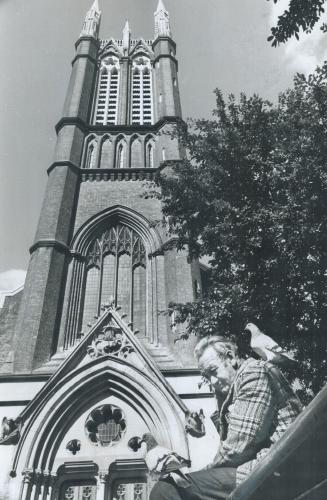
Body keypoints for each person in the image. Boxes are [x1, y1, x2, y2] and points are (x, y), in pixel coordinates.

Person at [150, 336, 302, 500]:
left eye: (213, 371)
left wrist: (206, 471)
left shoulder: (254, 372)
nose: (212, 381)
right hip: (266, 470)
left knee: (166, 488)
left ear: (230, 357)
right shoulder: (237, 386)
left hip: (274, 471)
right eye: (207, 377)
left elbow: (238, 446)